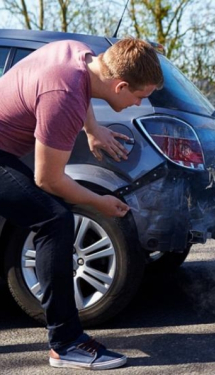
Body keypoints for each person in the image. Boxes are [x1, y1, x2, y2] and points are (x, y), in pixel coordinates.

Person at [0, 37, 163, 369]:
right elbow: (48, 180)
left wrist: (92, 128)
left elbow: (81, 88)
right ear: (119, 85)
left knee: (52, 216)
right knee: (54, 219)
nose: (137, 104)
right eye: (139, 96)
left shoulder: (78, 53)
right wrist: (98, 202)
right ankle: (66, 342)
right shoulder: (63, 97)